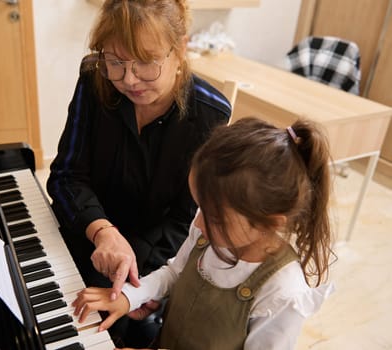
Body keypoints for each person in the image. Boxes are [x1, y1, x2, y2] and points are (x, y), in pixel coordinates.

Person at [47, 0, 231, 346]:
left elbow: (185, 222)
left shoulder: (209, 115)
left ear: (180, 50)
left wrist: (134, 274)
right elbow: (66, 175)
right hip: (86, 234)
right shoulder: (94, 79)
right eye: (115, 62)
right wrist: (103, 232)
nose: (129, 80)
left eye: (146, 63)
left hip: (151, 260)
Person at [72, 117, 336, 350]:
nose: (198, 223)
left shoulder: (282, 293)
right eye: (200, 207)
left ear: (268, 223)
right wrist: (129, 298)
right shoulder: (207, 233)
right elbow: (175, 272)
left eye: (215, 218)